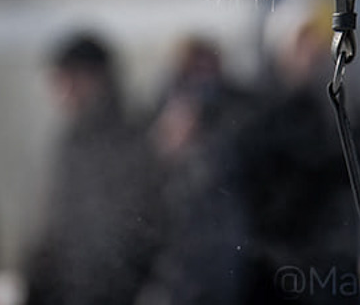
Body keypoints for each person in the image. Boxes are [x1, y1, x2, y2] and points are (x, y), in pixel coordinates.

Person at [236, 0, 360, 304]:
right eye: (302, 42)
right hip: (277, 273)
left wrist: (356, 108)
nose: (312, 53)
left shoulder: (337, 107)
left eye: (318, 44)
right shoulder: (257, 112)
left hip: (337, 269)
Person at [24, 31, 162, 305]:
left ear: (99, 79)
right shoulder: (69, 145)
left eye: (72, 80)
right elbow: (54, 230)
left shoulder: (138, 139)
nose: (64, 93)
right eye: (59, 82)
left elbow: (147, 230)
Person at [142, 35, 260, 305]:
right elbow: (143, 181)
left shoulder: (238, 111)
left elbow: (247, 168)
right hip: (174, 257)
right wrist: (166, 144)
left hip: (228, 251)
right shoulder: (160, 113)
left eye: (207, 68)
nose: (201, 80)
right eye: (193, 68)